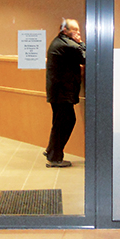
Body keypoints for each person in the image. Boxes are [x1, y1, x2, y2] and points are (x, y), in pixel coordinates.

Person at [44, 18, 86, 168]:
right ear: (65, 31)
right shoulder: (67, 44)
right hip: (62, 92)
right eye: (75, 30)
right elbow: (86, 57)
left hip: (58, 91)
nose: (78, 33)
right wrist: (81, 42)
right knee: (65, 122)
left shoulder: (61, 41)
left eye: (78, 30)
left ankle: (51, 151)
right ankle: (55, 157)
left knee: (60, 123)